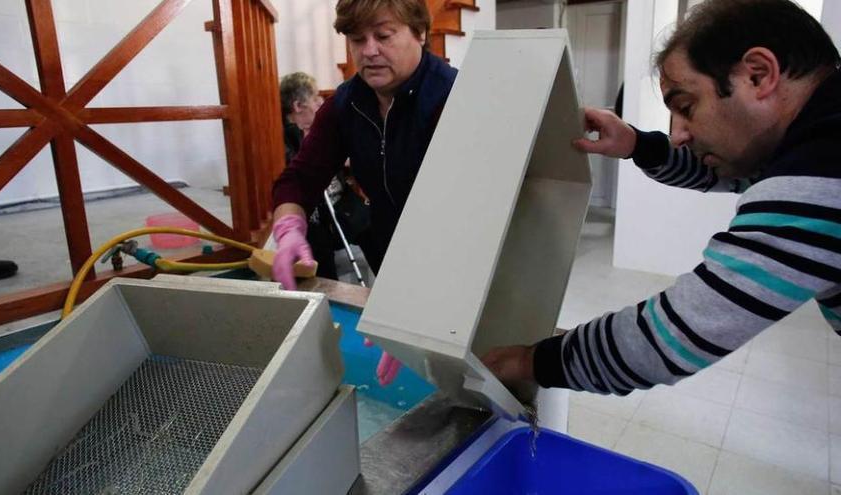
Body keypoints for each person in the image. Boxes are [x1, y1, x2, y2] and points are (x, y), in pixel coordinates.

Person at [483, 0, 841, 395]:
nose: (681, 134)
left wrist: (527, 360)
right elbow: (720, 173)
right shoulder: (814, 135)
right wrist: (637, 144)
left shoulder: (822, 168)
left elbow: (672, 336)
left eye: (687, 107)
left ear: (757, 75)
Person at [271, 0, 457, 385]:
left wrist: (417, 299)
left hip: (456, 269)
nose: (369, 50)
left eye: (383, 36)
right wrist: (288, 227)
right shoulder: (346, 104)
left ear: (419, 32)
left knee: (463, 382)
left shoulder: (454, 98)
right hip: (391, 257)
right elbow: (301, 177)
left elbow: (470, 219)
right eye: (357, 39)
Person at [279, 72, 339, 280]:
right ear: (298, 106)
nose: (320, 102)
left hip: (333, 213)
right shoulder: (288, 140)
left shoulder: (310, 133)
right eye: (315, 97)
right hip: (311, 221)